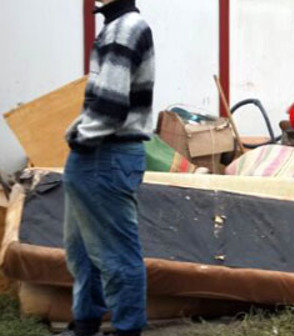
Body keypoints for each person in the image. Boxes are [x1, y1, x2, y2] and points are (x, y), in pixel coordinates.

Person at [60, 0, 154, 335]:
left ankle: (128, 329)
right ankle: (85, 323)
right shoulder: (116, 26)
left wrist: (80, 138)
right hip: (100, 153)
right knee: (82, 251)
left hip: (105, 154)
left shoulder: (125, 29)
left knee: (116, 256)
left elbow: (111, 106)